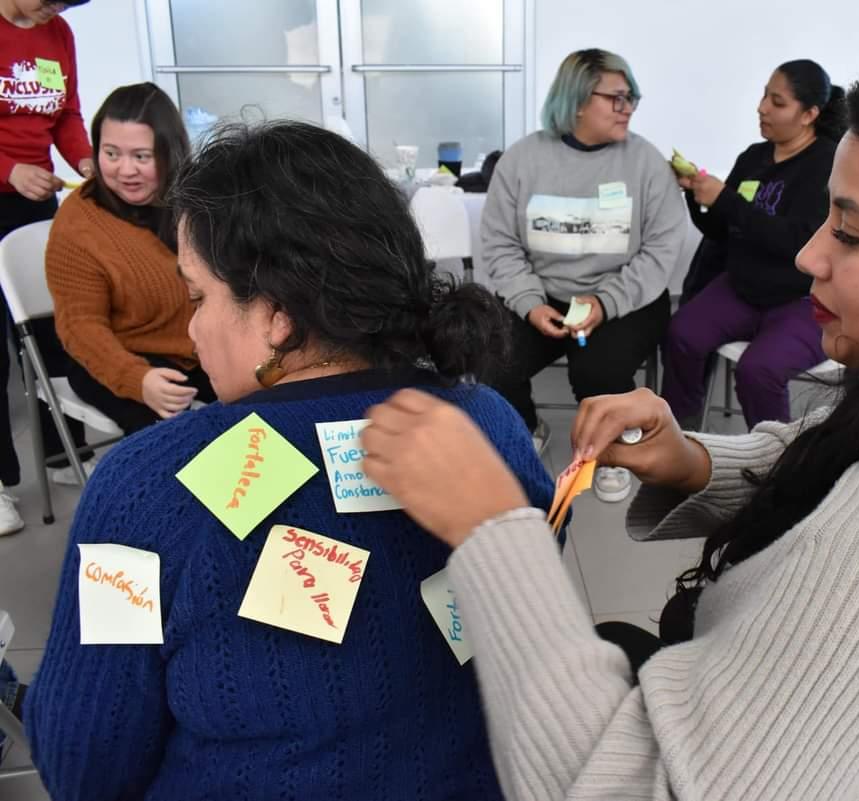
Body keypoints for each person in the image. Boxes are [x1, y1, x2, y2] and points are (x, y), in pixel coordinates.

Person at [362, 50, 859, 800]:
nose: (811, 254)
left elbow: (624, 787)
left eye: (852, 235)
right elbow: (846, 451)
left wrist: (492, 525)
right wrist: (698, 463)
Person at [24, 121, 553, 801]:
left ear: (277, 315)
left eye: (197, 297)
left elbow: (84, 763)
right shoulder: (491, 423)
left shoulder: (143, 488)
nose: (190, 329)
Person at [483, 47, 684, 503]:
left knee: (599, 369)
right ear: (576, 100)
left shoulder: (645, 163)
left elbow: (661, 251)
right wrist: (530, 304)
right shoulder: (523, 160)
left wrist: (605, 302)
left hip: (625, 299)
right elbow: (499, 243)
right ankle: (528, 428)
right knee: (492, 355)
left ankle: (612, 451)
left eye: (632, 96)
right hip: (543, 294)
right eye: (615, 97)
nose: (628, 107)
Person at [661, 59, 845, 429]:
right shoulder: (754, 157)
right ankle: (678, 433)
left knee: (758, 370)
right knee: (681, 334)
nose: (761, 107)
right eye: (764, 96)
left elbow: (797, 243)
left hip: (802, 300)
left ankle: (772, 463)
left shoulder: (828, 164)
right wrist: (697, 196)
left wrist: (726, 200)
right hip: (743, 288)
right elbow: (722, 229)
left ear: (809, 114)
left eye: (777, 102)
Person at [46, 82, 215, 435]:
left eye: (141, 156)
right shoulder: (79, 225)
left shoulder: (195, 200)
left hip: (199, 350)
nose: (125, 170)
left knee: (266, 414)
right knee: (179, 445)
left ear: (170, 153)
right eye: (110, 154)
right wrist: (137, 379)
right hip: (118, 360)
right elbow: (80, 327)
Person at [0, 0, 94, 536]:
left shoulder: (57, 33)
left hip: (35, 197)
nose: (51, 11)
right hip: (7, 185)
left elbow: (66, 115)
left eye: (64, 5)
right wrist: (10, 170)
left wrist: (85, 158)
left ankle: (64, 454)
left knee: (55, 330)